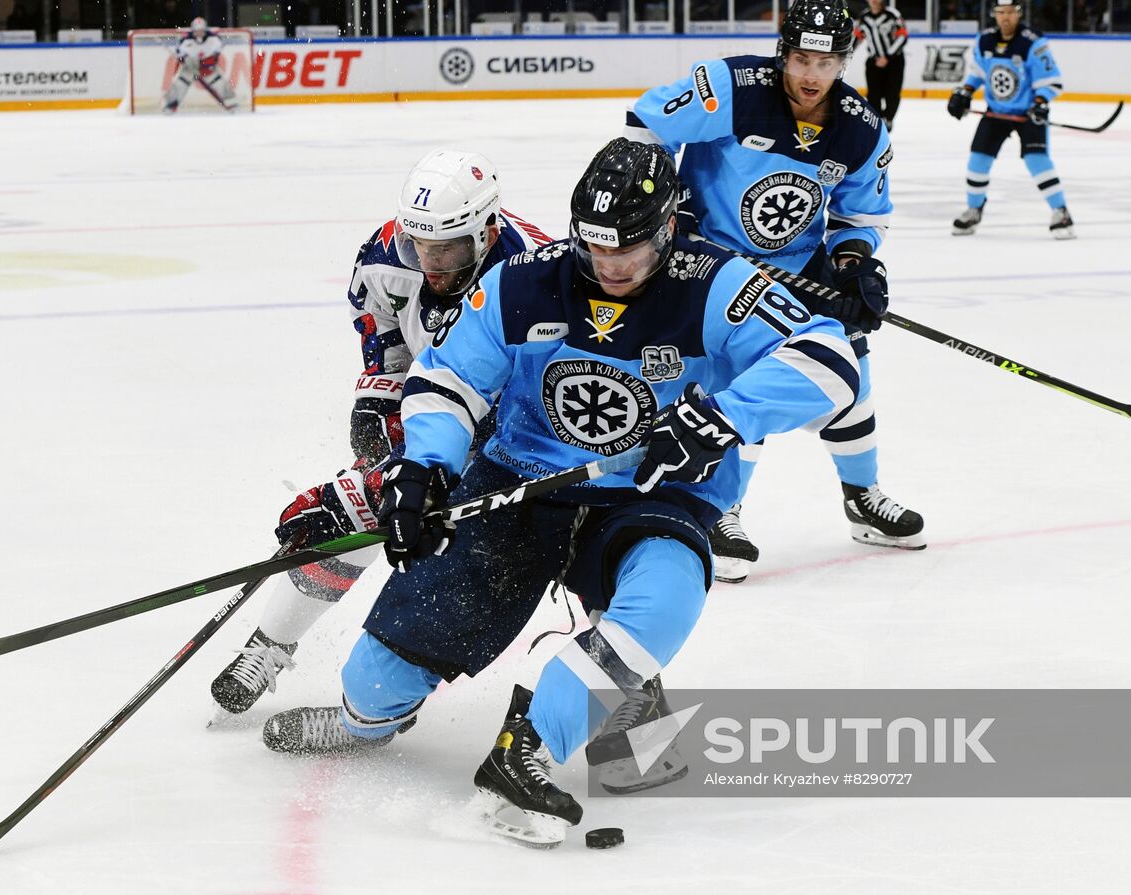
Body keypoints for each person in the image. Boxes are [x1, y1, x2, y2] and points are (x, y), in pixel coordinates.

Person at [261, 139, 860, 847]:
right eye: (594, 251)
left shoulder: (715, 282)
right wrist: (424, 467)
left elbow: (830, 361)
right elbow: (448, 379)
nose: (608, 270)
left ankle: (530, 751)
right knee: (374, 681)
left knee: (667, 590)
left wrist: (721, 417)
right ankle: (369, 720)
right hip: (519, 483)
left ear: (667, 229)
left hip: (646, 495)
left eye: (628, 256)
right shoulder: (524, 280)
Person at [208, 149, 549, 717]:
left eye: (449, 248)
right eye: (422, 246)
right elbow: (390, 355)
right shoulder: (384, 258)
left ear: (487, 231)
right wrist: (380, 441)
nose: (432, 263)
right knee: (365, 515)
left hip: (523, 439)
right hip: (437, 410)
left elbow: (528, 399)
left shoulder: (535, 272)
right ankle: (270, 643)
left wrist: (408, 470)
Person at [623, 0, 926, 583]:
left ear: (844, 61)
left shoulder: (861, 129)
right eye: (803, 58)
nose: (812, 75)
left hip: (796, 264)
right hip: (710, 261)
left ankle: (862, 498)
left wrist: (856, 263)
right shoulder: (732, 87)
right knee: (738, 384)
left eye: (828, 61)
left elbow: (862, 216)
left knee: (848, 370)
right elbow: (648, 121)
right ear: (783, 53)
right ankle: (719, 507)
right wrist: (665, 206)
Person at [946, 0, 1073, 238]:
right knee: (978, 161)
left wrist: (1040, 103)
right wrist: (964, 92)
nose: (1006, 18)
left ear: (1019, 13)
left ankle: (1061, 212)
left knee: (1037, 161)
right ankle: (974, 210)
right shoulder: (984, 40)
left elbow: (1050, 80)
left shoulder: (1033, 42)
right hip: (997, 112)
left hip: (1027, 113)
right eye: (1001, 12)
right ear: (994, 14)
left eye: (1011, 13)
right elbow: (977, 73)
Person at [164, 18, 241, 114]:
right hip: (190, 68)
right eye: (197, 31)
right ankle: (169, 106)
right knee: (180, 84)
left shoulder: (214, 38)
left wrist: (209, 62)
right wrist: (186, 60)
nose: (199, 33)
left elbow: (217, 52)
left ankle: (233, 104)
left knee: (220, 83)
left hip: (208, 68)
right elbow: (179, 54)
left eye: (201, 30)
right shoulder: (185, 40)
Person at [854, 0, 908, 131]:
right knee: (873, 95)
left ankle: (888, 119)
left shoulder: (892, 14)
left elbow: (903, 36)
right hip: (874, 62)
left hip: (894, 61)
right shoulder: (864, 17)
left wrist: (888, 56)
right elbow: (857, 37)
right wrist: (845, 55)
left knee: (893, 93)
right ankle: (877, 121)